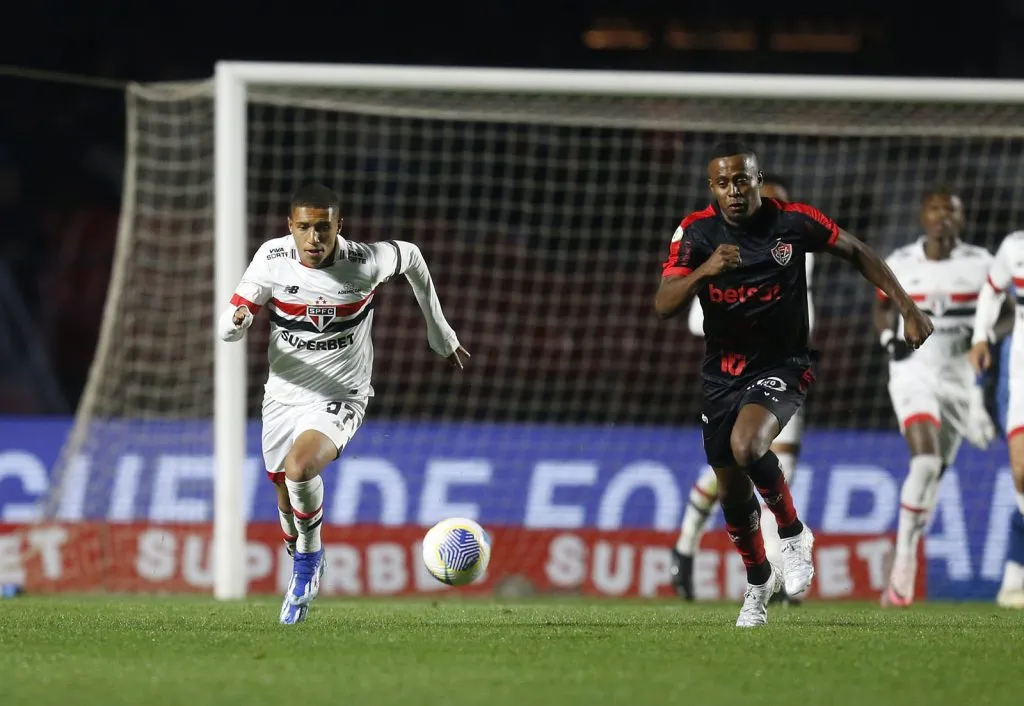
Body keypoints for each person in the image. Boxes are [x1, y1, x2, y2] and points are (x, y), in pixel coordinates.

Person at [655, 141, 932, 627]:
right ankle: (758, 582)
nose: (734, 191)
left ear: (758, 180)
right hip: (722, 372)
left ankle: (793, 533)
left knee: (748, 446)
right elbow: (664, 304)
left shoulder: (793, 222)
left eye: (742, 180)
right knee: (732, 495)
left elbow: (858, 251)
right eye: (723, 183)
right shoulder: (696, 233)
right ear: (711, 188)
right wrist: (705, 270)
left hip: (782, 364)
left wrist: (907, 306)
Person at [218, 184, 469, 624]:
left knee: (299, 469)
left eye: (323, 228)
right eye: (304, 228)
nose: (313, 238)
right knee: (281, 485)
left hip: (341, 395)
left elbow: (410, 255)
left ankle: (308, 562)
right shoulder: (271, 259)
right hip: (282, 396)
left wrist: (440, 332)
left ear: (339, 227)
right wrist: (236, 323)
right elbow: (231, 321)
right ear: (289, 227)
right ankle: (300, 549)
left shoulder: (364, 263)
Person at [671, 174, 811, 605]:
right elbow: (688, 313)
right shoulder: (716, 247)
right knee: (730, 471)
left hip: (780, 367)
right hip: (727, 371)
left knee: (764, 456)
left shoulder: (791, 241)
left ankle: (786, 560)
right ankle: (688, 545)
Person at [874, 187, 1007, 607]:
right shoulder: (900, 262)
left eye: (951, 210)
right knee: (925, 460)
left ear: (961, 219)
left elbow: (1005, 311)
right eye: (934, 209)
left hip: (959, 380)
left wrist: (984, 338)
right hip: (912, 373)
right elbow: (881, 306)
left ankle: (907, 546)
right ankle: (905, 561)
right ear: (922, 216)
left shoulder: (981, 263)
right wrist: (886, 338)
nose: (942, 216)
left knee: (935, 473)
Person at [969, 229, 1024, 609]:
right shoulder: (1014, 246)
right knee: (1021, 471)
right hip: (1021, 371)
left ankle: (1014, 572)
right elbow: (992, 289)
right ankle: (1014, 575)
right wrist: (980, 337)